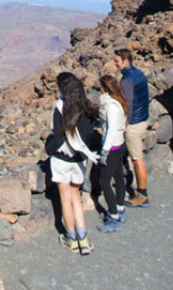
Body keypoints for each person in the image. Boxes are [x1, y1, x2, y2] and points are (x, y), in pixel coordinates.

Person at [49, 72, 100, 254]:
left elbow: (56, 137)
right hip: (79, 160)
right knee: (75, 198)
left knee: (65, 200)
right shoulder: (88, 107)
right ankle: (83, 239)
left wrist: (49, 150)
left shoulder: (61, 107)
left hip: (62, 160)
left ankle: (71, 239)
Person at [114, 48, 150, 208]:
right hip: (143, 118)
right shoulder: (138, 73)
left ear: (125, 61)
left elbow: (128, 104)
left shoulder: (126, 80)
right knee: (136, 158)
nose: (115, 64)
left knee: (137, 159)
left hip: (134, 124)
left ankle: (142, 196)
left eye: (117, 61)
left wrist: (126, 125)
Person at [96, 74, 128, 233]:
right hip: (119, 144)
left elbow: (112, 129)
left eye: (100, 87)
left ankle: (114, 217)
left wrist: (104, 151)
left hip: (112, 148)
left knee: (104, 182)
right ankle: (120, 208)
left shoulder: (111, 106)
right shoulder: (119, 101)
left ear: (104, 88)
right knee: (118, 177)